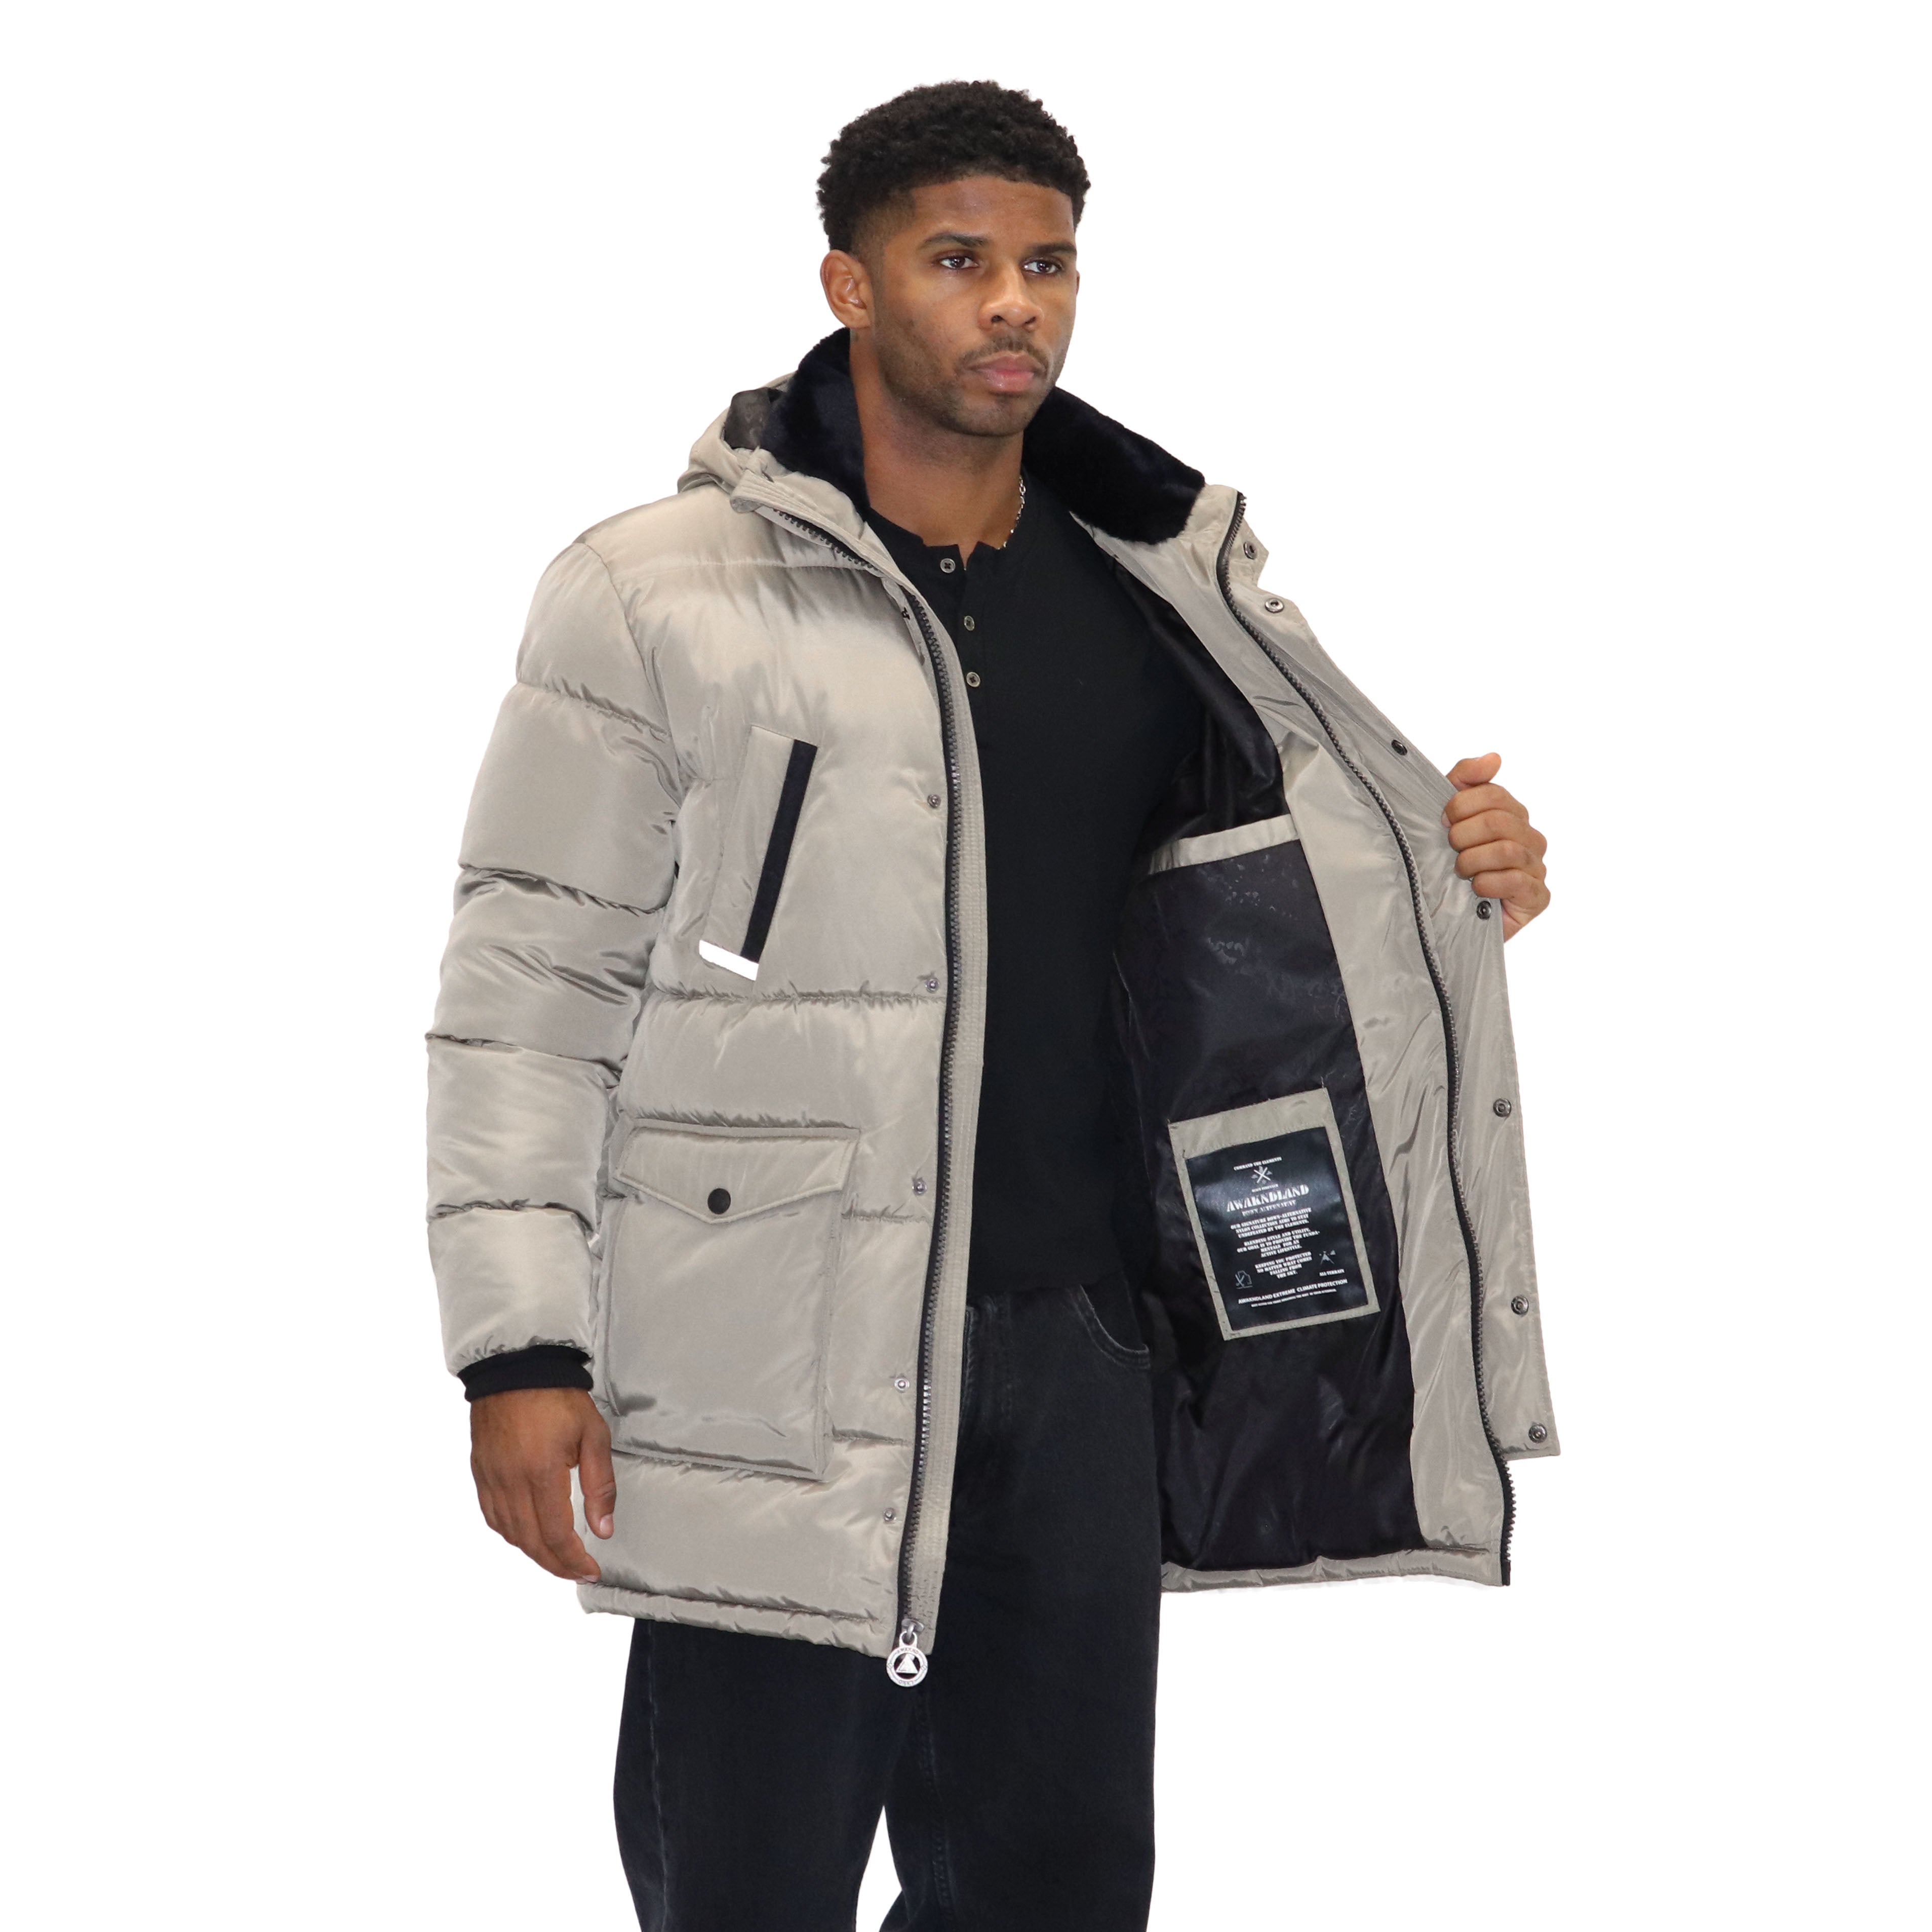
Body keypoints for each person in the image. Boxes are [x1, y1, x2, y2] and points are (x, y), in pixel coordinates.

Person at [427, 80, 1558, 1932]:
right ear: (851, 285)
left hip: (1081, 1346)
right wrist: (519, 1350)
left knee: (1056, 1888)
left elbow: (1259, 912)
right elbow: (526, 988)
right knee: (746, 1885)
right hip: (774, 1342)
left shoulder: (1157, 589)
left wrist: (1463, 871)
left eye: (1049, 263)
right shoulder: (654, 595)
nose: (1015, 303)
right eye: (959, 260)